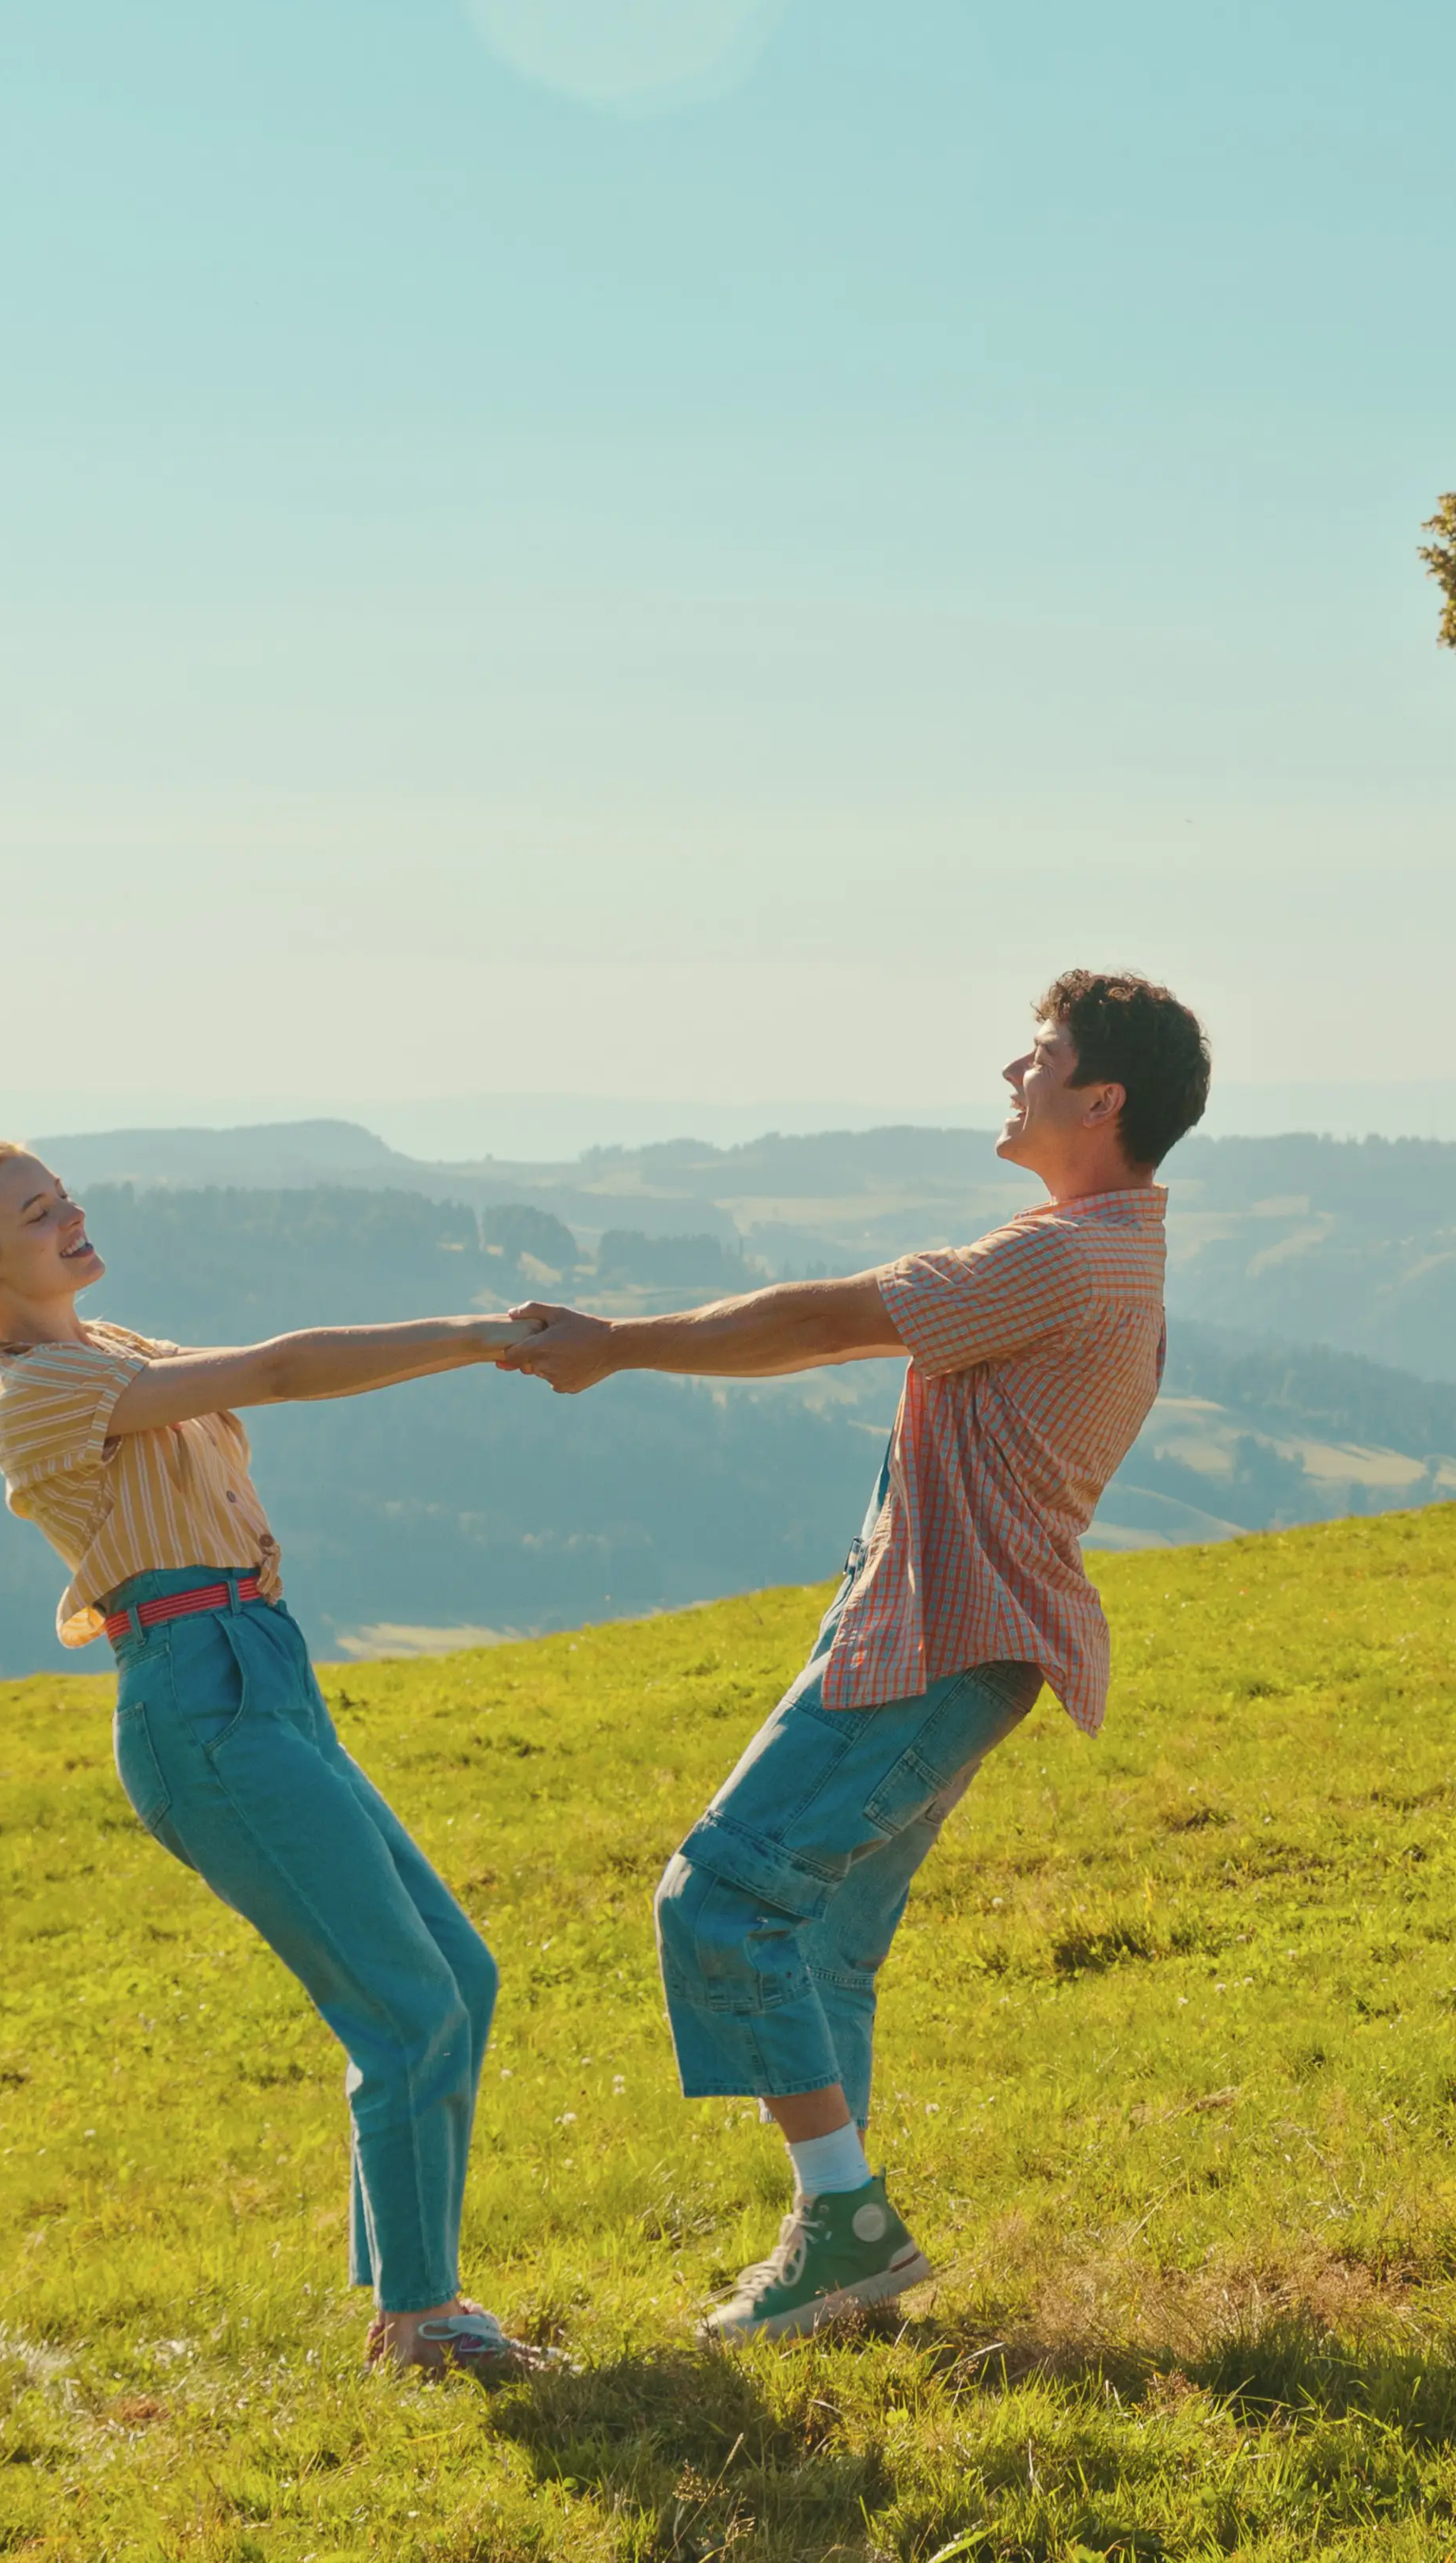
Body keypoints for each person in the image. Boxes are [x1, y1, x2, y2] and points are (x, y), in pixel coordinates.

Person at [499, 967, 1204, 2343]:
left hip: (939, 1640)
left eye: (1041, 1054)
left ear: (1100, 1097)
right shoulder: (1108, 1251)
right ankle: (842, 2264)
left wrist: (614, 1347)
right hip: (949, 1633)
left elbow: (823, 1320)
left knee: (721, 1899)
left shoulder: (1057, 1258)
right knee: (819, 1943)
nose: (1015, 1069)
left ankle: (848, 2227)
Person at [0, 1141, 555, 2383]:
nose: (71, 1215)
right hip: (195, 1703)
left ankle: (405, 2303)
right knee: (405, 2006)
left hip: (263, 1666)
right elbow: (279, 1368)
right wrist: (481, 1334)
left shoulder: (117, 1349)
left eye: (64, 1194)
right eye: (37, 1215)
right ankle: (424, 2323)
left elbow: (261, 1376)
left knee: (453, 1975)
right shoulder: (35, 1390)